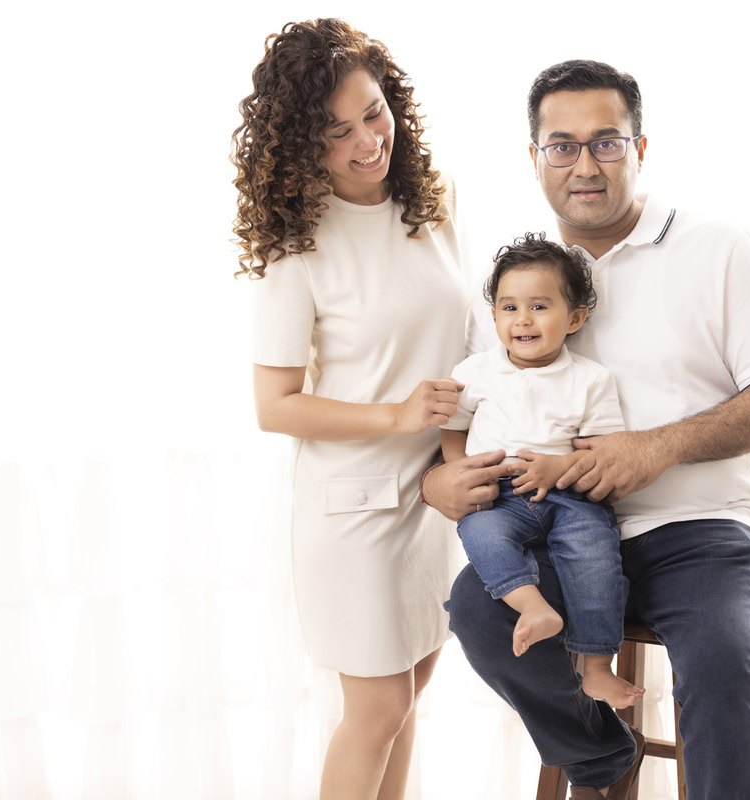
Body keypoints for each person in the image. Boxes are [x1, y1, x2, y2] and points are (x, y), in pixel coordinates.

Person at [422, 60, 750, 800]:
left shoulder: (720, 249)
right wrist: (440, 480)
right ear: (534, 159)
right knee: (476, 607)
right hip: (549, 526)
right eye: (561, 145)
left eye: (606, 142)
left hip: (701, 529)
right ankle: (600, 756)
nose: (584, 164)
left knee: (725, 668)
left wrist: (657, 448)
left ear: (640, 148)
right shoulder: (515, 284)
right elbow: (474, 409)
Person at [230, 19, 518, 800]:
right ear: (299, 145)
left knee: (408, 696)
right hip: (350, 508)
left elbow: (465, 341)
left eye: (374, 112)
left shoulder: (436, 196)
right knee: (378, 706)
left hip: (426, 497)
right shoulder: (296, 246)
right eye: (336, 132)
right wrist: (396, 417)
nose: (367, 141)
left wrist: (456, 467)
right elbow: (274, 405)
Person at [439, 233, 646, 709]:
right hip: (498, 494)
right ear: (493, 317)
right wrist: (462, 474)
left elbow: (603, 451)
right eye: (509, 308)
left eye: (539, 307)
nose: (523, 320)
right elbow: (452, 429)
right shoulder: (474, 372)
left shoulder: (591, 380)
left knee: (594, 555)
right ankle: (532, 607)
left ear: (574, 318)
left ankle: (596, 665)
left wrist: (558, 469)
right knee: (481, 535)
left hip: (569, 494)